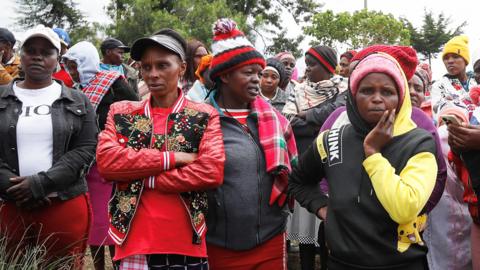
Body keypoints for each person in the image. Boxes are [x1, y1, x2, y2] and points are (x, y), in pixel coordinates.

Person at [290, 52, 438, 269]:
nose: (377, 98)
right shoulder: (331, 140)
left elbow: (405, 208)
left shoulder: (418, 143)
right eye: (367, 90)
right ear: (352, 96)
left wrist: (373, 152)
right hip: (342, 263)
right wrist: (323, 208)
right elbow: (298, 181)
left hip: (402, 264)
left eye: (387, 91)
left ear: (400, 98)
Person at [96, 28, 225, 269]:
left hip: (185, 241)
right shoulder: (122, 112)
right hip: (131, 241)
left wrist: (147, 179)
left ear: (182, 68)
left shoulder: (203, 115)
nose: (153, 74)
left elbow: (211, 170)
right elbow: (107, 163)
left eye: (163, 65)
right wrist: (173, 157)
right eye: (146, 67)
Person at [0, 25, 97, 268]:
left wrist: (40, 184)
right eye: (31, 50)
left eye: (46, 52)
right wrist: (15, 188)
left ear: (57, 60)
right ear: (21, 56)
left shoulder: (78, 100)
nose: (38, 56)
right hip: (10, 205)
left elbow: (86, 148)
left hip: (62, 204)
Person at [205, 18, 297, 270]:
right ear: (224, 75)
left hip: (270, 239)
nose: (257, 79)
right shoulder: (200, 121)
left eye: (259, 73)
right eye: (248, 73)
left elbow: (295, 173)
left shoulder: (277, 122)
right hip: (218, 245)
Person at [62, 40, 139, 269]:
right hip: (89, 168)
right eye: (69, 66)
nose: (72, 72)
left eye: (75, 66)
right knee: (95, 226)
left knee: (113, 222)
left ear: (86, 63)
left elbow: (135, 111)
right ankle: (98, 267)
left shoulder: (114, 83)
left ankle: (117, 265)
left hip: (111, 166)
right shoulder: (76, 91)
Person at [431, 35, 477, 120]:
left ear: (465, 60)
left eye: (455, 56)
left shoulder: (476, 82)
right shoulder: (439, 85)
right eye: (446, 58)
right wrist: (444, 104)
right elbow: (436, 111)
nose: (450, 61)